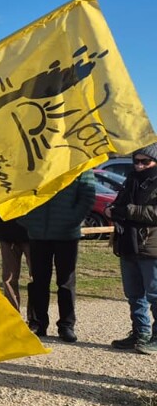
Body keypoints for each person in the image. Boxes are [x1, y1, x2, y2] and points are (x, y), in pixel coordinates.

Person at [17, 171, 95, 343]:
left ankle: (66, 325)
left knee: (66, 281)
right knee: (39, 281)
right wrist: (28, 220)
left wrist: (72, 220)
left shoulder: (80, 164)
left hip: (66, 234)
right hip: (38, 233)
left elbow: (88, 196)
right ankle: (38, 323)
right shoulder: (37, 162)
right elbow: (19, 191)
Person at [107, 143, 157, 352]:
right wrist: (111, 209)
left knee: (155, 293)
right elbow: (118, 204)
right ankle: (140, 332)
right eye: (136, 161)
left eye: (145, 162)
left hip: (151, 246)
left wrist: (126, 210)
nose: (139, 166)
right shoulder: (130, 180)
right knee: (134, 293)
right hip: (128, 242)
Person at [0, 209, 30, 312]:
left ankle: (35, 317)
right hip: (7, 232)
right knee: (9, 277)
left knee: (37, 277)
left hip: (31, 233)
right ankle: (13, 313)